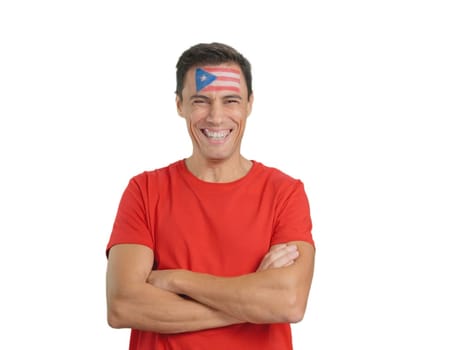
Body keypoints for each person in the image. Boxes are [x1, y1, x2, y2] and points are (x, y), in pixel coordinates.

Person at [105, 42, 315, 350]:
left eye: (230, 100)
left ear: (249, 104)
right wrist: (252, 304)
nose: (216, 117)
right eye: (201, 101)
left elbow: (290, 302)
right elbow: (123, 305)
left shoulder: (284, 193)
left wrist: (177, 280)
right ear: (180, 105)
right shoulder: (145, 191)